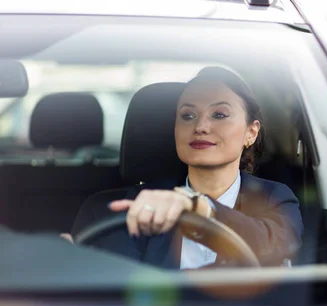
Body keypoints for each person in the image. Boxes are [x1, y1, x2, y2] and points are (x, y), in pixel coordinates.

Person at [75, 67, 303, 269]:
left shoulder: (274, 198)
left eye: (219, 114)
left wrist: (198, 209)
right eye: (188, 115)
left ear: (250, 133)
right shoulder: (137, 202)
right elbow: (120, 281)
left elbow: (276, 247)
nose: (200, 126)